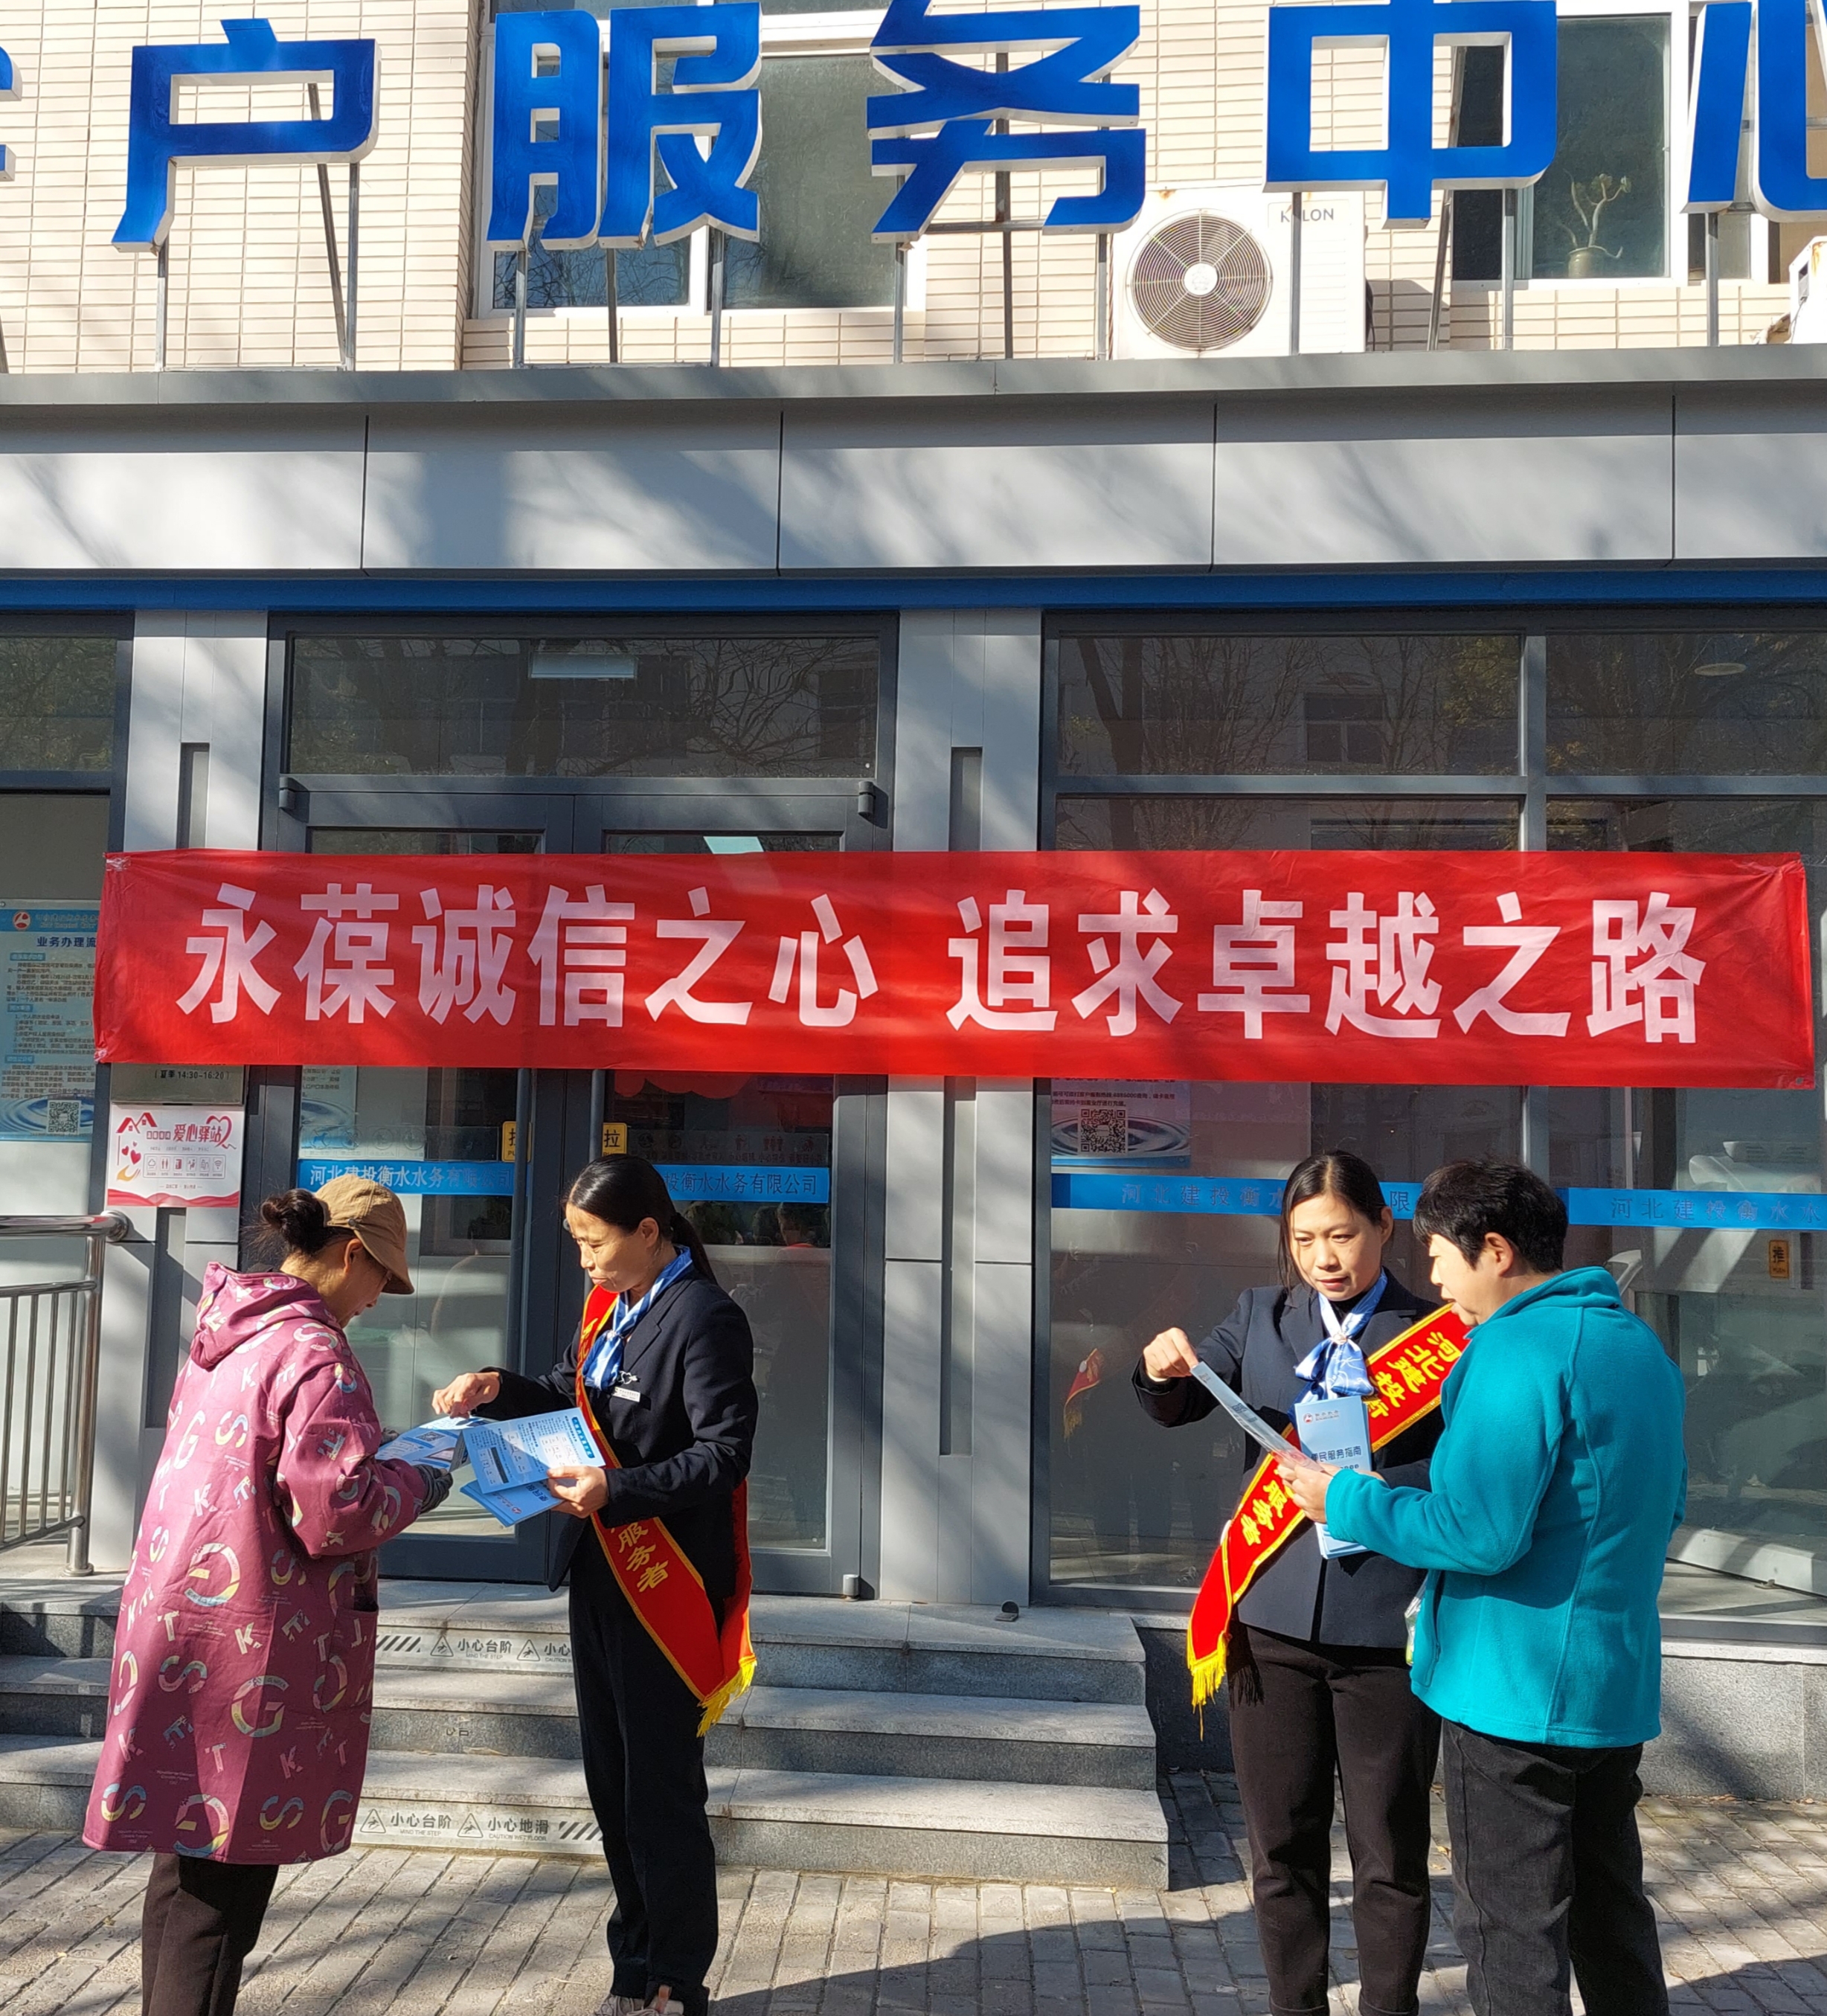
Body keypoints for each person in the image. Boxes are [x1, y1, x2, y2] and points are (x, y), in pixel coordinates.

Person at [1280, 1159, 1686, 2016]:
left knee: (1512, 1938)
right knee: (1610, 1920)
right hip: (1609, 1689)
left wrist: (1346, 1500)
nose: (1433, 1279)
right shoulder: (1634, 1345)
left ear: (1494, 1250)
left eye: (1438, 1256)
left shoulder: (1510, 1349)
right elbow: (1659, 1501)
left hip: (1510, 1692)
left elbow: (1477, 1531)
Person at [83, 1178, 451, 2016]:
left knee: (184, 1870)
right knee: (223, 1895)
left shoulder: (230, 1330)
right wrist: (425, 1476)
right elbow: (337, 1512)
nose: (377, 1301)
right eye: (381, 1279)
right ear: (351, 1254)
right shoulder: (317, 1350)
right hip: (256, 1653)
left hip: (182, 1626)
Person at [434, 1153, 757, 2016]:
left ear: (648, 1231)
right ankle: (633, 1966)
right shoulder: (614, 1307)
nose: (584, 1261)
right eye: (575, 1243)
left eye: (594, 1242)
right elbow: (569, 1397)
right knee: (612, 1787)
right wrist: (496, 1388)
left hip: (666, 1580)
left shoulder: (703, 1316)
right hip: (602, 1573)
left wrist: (618, 1488)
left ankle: (675, 1979)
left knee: (661, 1792)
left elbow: (723, 1454)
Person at [1134, 1149, 1445, 2016]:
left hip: (1385, 1628)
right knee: (1279, 1851)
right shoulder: (1259, 1316)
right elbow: (1180, 1401)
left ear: (1383, 1225)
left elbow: (1460, 1475)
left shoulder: (1440, 1333)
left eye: (1340, 1235)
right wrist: (1157, 1368)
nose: (1322, 1257)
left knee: (1389, 1855)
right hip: (1270, 1622)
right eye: (1303, 1239)